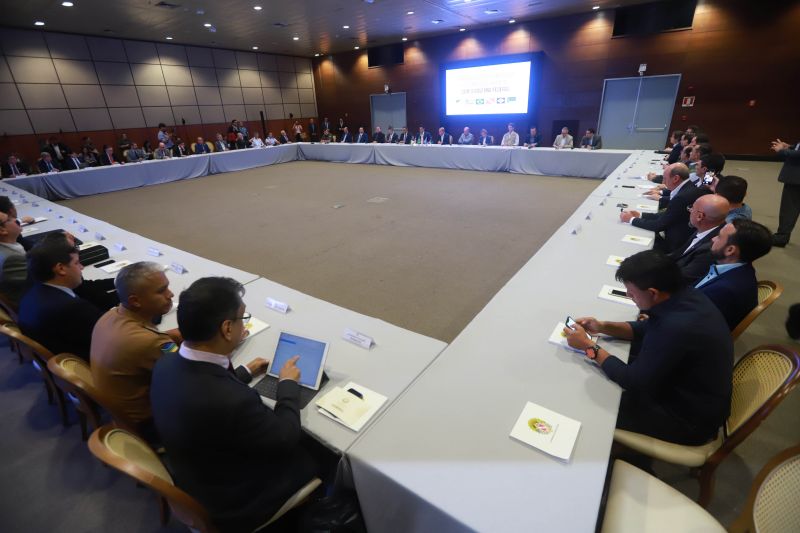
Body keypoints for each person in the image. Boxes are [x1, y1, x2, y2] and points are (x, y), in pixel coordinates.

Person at [150, 277, 318, 533]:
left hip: (193, 474)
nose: (244, 325)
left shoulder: (165, 364)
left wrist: (244, 372)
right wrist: (287, 385)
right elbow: (286, 438)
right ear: (227, 329)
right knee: (317, 455)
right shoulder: (232, 401)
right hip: (233, 502)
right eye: (243, 318)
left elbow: (202, 387)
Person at [563, 250, 732, 446]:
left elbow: (633, 381)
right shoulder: (685, 296)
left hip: (685, 419)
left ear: (653, 293)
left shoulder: (677, 327)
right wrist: (602, 326)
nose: (629, 296)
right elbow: (646, 328)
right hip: (689, 392)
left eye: (632, 293)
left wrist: (588, 347)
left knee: (586, 408)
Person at [91, 262, 182, 440]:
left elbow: (152, 343)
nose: (170, 294)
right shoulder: (151, 342)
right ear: (135, 301)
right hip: (150, 424)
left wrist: (176, 336)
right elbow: (192, 377)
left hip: (120, 415)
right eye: (161, 290)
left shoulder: (111, 315)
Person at [18, 234, 103, 361]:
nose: (81, 267)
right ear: (61, 268)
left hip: (59, 358)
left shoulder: (32, 293)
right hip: (91, 364)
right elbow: (111, 335)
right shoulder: (71, 307)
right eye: (77, 263)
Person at [697, 219, 772, 330]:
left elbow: (691, 322)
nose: (713, 239)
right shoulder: (742, 269)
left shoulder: (723, 290)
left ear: (730, 250)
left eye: (719, 236)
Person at [621, 163, 710, 253]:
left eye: (665, 178)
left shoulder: (683, 196)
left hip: (674, 245)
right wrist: (640, 215)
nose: (663, 182)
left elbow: (659, 225)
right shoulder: (689, 186)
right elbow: (670, 214)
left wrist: (631, 219)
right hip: (681, 233)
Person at [669, 194, 730, 284]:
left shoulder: (712, 247)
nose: (690, 211)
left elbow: (682, 278)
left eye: (692, 208)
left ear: (700, 216)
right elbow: (679, 253)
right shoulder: (707, 227)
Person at [770, 138, 800, 247]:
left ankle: (782, 237)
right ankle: (782, 236)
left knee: (790, 208)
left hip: (797, 179)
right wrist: (790, 147)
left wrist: (782, 151)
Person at [0, 210, 27, 305]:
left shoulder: (8, 246)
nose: (16, 220)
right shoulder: (12, 258)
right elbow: (32, 284)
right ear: (2, 230)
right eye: (10, 219)